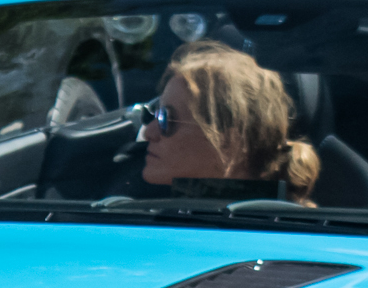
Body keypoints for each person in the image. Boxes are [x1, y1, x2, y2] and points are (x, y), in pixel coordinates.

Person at [137, 42, 323, 202]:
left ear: (233, 138)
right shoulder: (136, 211)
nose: (148, 132)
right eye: (156, 114)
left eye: (165, 119)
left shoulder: (258, 232)